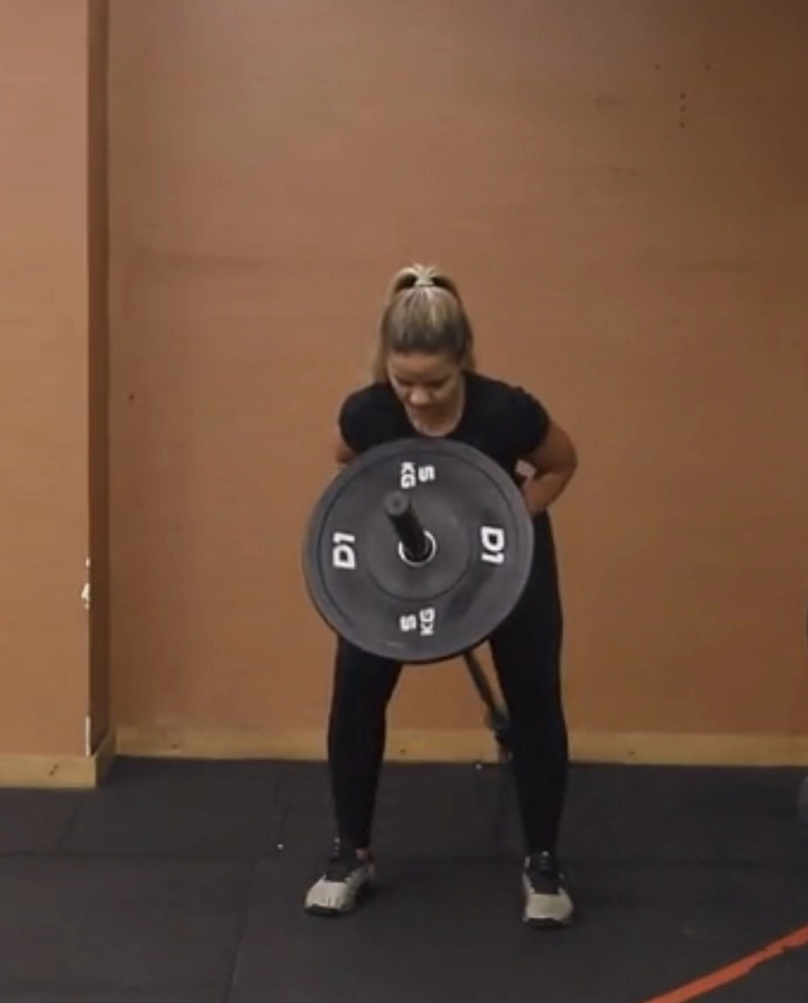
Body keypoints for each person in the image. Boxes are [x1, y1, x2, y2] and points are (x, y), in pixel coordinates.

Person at [303, 263, 580, 930]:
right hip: (404, 565)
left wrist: (508, 521)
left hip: (504, 562)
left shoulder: (506, 410)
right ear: (387, 366)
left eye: (436, 383)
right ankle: (351, 854)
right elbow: (347, 463)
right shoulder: (369, 412)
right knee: (357, 691)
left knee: (535, 699)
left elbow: (560, 463)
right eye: (406, 382)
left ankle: (543, 864)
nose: (420, 398)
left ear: (463, 361)